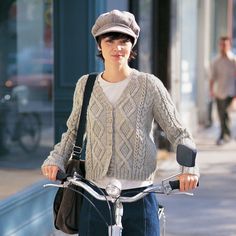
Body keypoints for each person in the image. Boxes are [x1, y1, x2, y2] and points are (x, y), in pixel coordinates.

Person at [41, 10, 199, 236]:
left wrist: (189, 168)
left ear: (132, 45)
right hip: (95, 196)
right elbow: (73, 131)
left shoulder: (149, 85)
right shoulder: (86, 85)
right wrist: (55, 159)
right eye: (110, 41)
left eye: (124, 41)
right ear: (99, 45)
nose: (117, 48)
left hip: (140, 196)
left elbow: (178, 132)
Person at [209, 36, 236, 145]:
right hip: (219, 91)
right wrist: (211, 90)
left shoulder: (233, 60)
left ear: (229, 45)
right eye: (222, 44)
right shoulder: (216, 61)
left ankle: (223, 135)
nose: (223, 46)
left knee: (225, 112)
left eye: (225, 44)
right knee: (221, 114)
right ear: (219, 45)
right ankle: (227, 134)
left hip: (230, 91)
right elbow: (212, 77)